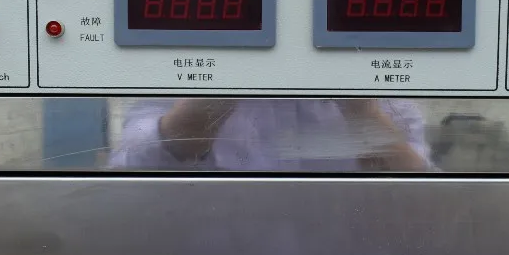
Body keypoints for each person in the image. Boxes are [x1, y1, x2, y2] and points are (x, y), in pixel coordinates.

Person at [109, 98, 431, 171]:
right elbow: (121, 184)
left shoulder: (386, 95)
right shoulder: (176, 80)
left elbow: (428, 210)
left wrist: (362, 110)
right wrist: (202, 107)